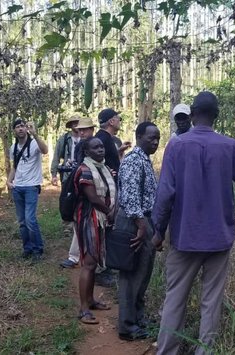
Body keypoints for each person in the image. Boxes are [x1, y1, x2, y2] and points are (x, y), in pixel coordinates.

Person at [152, 91, 235, 354]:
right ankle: (204, 351)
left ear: (192, 115)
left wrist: (158, 231)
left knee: (175, 298)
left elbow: (165, 194)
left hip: (184, 237)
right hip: (218, 237)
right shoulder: (229, 146)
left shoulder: (177, 146)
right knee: (211, 300)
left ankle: (167, 351)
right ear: (216, 116)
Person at [116, 122, 160, 341]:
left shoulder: (144, 159)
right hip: (135, 221)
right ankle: (126, 325)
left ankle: (138, 317)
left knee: (143, 274)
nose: (155, 142)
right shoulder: (134, 160)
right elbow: (131, 196)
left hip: (144, 220)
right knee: (131, 275)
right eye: (151, 137)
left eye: (158, 138)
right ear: (139, 136)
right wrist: (142, 226)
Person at [75, 137, 117, 325]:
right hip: (89, 218)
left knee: (94, 262)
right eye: (95, 147)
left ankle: (91, 300)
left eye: (102, 146)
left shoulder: (102, 168)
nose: (101, 150)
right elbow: (92, 198)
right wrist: (110, 212)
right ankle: (84, 309)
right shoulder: (85, 170)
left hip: (101, 218)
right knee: (89, 263)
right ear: (86, 152)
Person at [94, 108, 130, 287]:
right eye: (118, 118)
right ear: (110, 121)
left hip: (111, 189)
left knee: (109, 226)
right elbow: (93, 161)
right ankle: (102, 269)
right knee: (106, 227)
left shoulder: (106, 139)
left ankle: (105, 267)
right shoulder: (102, 138)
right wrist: (105, 172)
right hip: (106, 192)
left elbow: (106, 159)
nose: (120, 120)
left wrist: (119, 152)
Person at [7, 118, 49, 262]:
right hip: (18, 187)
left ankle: (38, 249)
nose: (20, 129)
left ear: (26, 128)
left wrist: (35, 134)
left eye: (23, 126)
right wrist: (9, 180)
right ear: (14, 130)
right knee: (22, 221)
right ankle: (27, 249)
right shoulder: (13, 148)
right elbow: (15, 167)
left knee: (30, 219)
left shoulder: (34, 144)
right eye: (17, 127)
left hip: (31, 186)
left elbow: (45, 150)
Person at [60, 117, 96, 269]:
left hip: (93, 187)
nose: (81, 132)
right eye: (80, 130)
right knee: (79, 221)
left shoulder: (95, 144)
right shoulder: (78, 144)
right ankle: (76, 256)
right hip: (80, 187)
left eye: (84, 129)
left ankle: (87, 257)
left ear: (91, 130)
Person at [51, 115, 81, 238]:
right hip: (67, 174)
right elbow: (56, 156)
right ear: (70, 126)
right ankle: (67, 225)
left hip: (82, 172)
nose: (76, 125)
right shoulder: (64, 139)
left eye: (77, 123)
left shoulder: (86, 137)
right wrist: (54, 174)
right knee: (66, 199)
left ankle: (79, 223)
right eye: (73, 123)